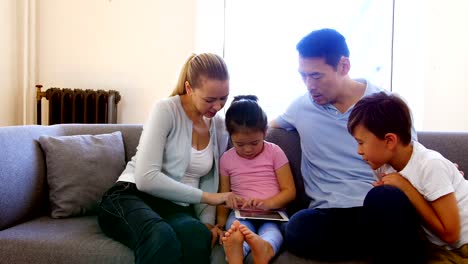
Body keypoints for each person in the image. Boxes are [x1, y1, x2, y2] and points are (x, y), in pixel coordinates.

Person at [269, 28, 427, 263]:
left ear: (343, 66)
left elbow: (412, 159)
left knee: (388, 202)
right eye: (303, 76)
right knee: (297, 227)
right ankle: (386, 248)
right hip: (329, 213)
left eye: (317, 76)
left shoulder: (386, 106)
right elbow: (261, 128)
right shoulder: (300, 108)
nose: (309, 85)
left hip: (377, 203)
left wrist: (440, 169)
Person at [97, 53, 243, 264]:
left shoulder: (218, 125)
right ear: (189, 88)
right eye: (210, 99)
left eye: (224, 98)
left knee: (197, 237)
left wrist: (207, 223)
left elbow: (208, 181)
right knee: (160, 236)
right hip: (131, 195)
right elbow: (147, 178)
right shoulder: (166, 109)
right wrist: (210, 198)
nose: (218, 106)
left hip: (176, 207)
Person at [347, 92, 468, 263]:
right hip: (438, 246)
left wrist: (406, 188)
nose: (359, 151)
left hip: (461, 245)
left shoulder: (430, 165)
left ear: (389, 141)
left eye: (361, 143)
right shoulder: (383, 165)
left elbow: (451, 234)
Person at [216, 95, 296, 264]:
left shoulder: (275, 152)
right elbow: (224, 195)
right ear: (230, 136)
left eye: (254, 143)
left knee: (273, 232)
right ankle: (236, 252)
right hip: (241, 215)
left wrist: (268, 203)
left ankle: (265, 247)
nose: (247, 149)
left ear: (265, 132)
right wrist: (220, 224)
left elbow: (289, 191)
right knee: (236, 230)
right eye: (239, 144)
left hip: (272, 214)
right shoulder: (226, 159)